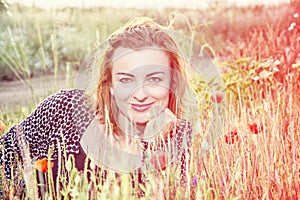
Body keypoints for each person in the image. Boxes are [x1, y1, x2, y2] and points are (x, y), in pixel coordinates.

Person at [0, 17, 195, 198]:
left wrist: (155, 146)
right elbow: (3, 155)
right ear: (109, 84)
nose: (140, 94)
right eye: (126, 79)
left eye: (154, 79)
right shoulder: (65, 109)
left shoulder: (178, 136)